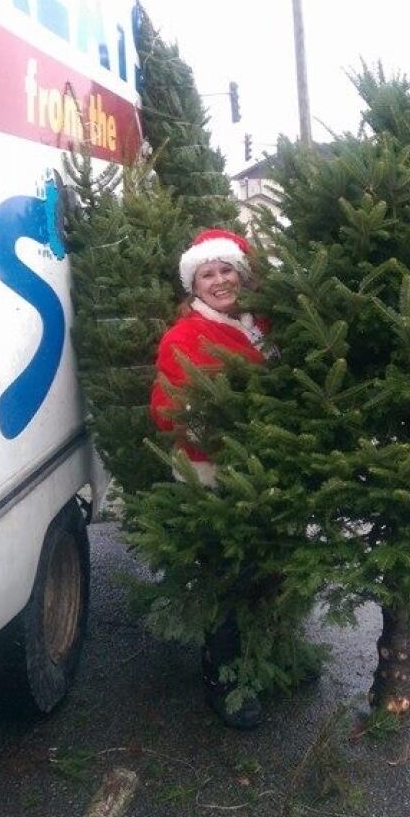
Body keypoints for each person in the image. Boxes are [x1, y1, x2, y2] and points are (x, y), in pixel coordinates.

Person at [150, 228, 271, 729]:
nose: (220, 280)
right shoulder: (183, 337)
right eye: (208, 273)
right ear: (194, 285)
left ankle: (268, 658)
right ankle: (223, 678)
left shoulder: (262, 324)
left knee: (267, 573)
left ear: (241, 274)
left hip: (270, 475)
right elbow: (165, 412)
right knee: (229, 580)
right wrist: (221, 424)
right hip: (215, 480)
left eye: (227, 270)